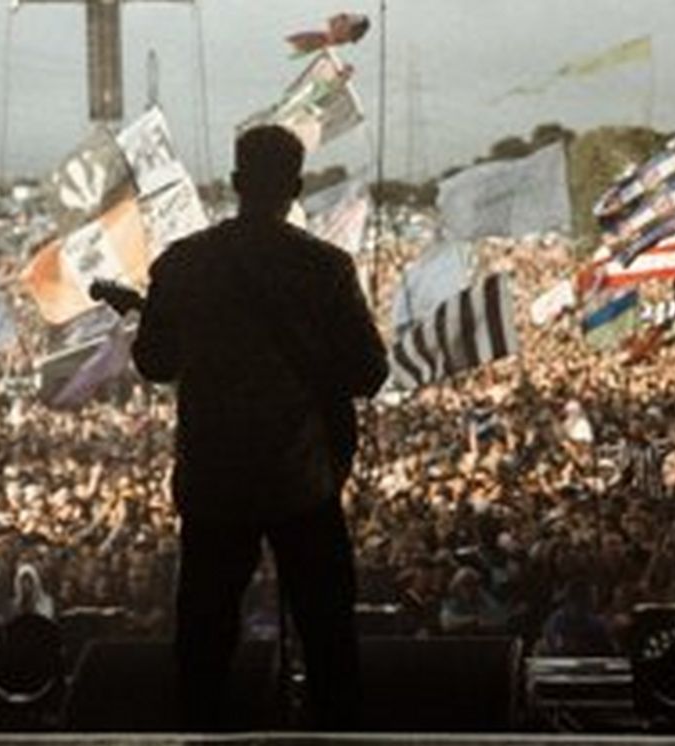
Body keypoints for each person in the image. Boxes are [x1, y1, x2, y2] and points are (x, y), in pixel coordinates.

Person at [132, 125, 388, 730]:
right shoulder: (325, 268)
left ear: (236, 183)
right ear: (295, 187)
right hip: (301, 478)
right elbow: (368, 372)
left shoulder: (183, 264)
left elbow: (155, 363)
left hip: (214, 480)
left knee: (204, 634)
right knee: (327, 632)